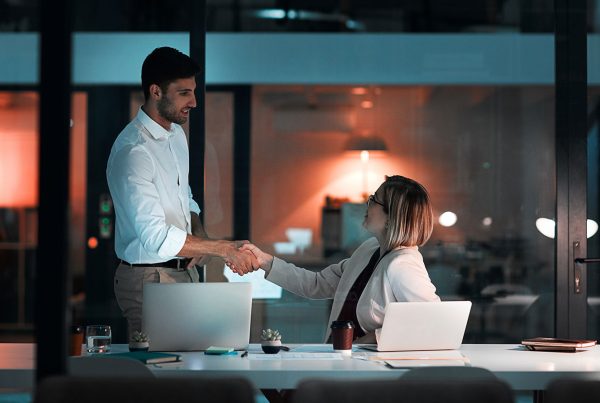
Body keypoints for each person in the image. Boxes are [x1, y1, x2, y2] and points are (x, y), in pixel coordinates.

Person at [107, 47, 258, 335]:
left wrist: (198, 232)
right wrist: (224, 248)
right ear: (156, 91)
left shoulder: (175, 134)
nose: (194, 102)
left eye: (194, 91)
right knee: (159, 373)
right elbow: (155, 236)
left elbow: (183, 196)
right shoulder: (133, 151)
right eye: (184, 93)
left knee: (187, 364)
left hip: (182, 270)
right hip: (148, 277)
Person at [242, 175, 440, 343]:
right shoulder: (369, 249)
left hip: (366, 373)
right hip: (341, 359)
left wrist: (371, 339)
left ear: (392, 217)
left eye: (374, 200)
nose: (367, 204)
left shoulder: (403, 264)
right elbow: (316, 284)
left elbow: (432, 320)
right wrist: (264, 261)